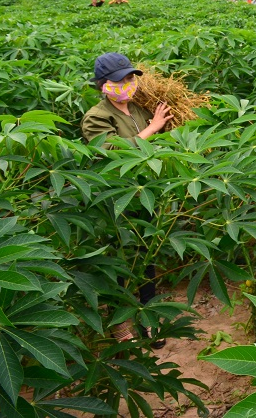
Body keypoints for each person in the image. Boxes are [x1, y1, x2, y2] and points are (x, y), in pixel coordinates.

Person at [81, 53, 173, 348]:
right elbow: (110, 151)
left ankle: (148, 318)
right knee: (119, 262)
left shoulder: (139, 109)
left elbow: (161, 140)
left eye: (131, 77)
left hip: (146, 191)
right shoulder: (97, 116)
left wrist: (166, 124)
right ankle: (118, 322)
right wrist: (153, 128)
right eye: (121, 79)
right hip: (116, 198)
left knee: (147, 258)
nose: (128, 83)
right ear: (104, 85)